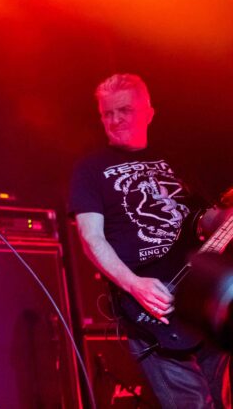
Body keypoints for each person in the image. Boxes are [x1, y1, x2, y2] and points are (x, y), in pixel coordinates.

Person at [69, 73, 229, 408]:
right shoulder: (91, 169)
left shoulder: (176, 160)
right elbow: (90, 237)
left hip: (202, 298)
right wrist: (135, 284)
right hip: (151, 306)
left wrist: (226, 221)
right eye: (107, 113)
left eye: (124, 110)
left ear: (148, 112)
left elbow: (205, 217)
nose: (115, 120)